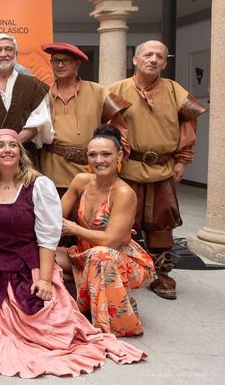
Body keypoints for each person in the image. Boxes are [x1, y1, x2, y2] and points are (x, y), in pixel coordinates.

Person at [0, 129, 147, 378]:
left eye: (13, 145)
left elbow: (50, 234)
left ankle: (107, 315)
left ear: (21, 151)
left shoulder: (39, 185)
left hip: (72, 256)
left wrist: (45, 279)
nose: (7, 149)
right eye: (0, 145)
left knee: (84, 269)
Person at [108, 40, 207, 300]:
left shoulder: (176, 91)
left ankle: (161, 274)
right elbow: (108, 128)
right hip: (128, 168)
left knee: (162, 224)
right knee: (122, 223)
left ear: (165, 62)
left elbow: (189, 124)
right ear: (136, 59)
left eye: (160, 56)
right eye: (148, 55)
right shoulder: (117, 89)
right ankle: (119, 273)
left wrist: (183, 160)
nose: (153, 59)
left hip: (163, 168)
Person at [57, 125, 155, 336]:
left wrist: (74, 228)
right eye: (93, 154)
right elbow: (56, 217)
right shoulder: (81, 181)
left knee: (100, 254)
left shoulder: (123, 193)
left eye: (105, 154)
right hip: (85, 254)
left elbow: (110, 241)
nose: (99, 160)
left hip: (121, 259)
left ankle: (116, 325)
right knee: (41, 256)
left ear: (119, 155)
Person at [40, 43, 130, 196]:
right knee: (55, 218)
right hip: (52, 172)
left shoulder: (98, 91)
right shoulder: (43, 93)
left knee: (87, 217)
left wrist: (115, 164)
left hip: (89, 170)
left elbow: (118, 130)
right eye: (55, 60)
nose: (60, 65)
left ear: (77, 63)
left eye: (66, 60)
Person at [0, 34, 52, 167]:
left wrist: (12, 145)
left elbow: (39, 121)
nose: (3, 54)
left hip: (24, 156)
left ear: (16, 53)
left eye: (8, 49)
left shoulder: (33, 85)